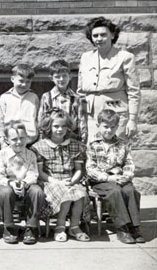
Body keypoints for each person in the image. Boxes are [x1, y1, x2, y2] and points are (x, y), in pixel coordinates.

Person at [86, 109, 145, 244]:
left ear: (117, 127)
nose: (109, 130)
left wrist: (126, 176)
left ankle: (134, 227)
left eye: (113, 127)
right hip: (101, 181)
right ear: (98, 125)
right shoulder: (92, 144)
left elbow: (128, 163)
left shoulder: (122, 143)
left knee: (131, 191)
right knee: (115, 191)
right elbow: (90, 168)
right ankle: (122, 228)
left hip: (120, 178)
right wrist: (108, 178)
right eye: (106, 126)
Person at [78, 16, 140, 141]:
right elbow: (81, 91)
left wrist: (132, 120)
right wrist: (81, 118)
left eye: (103, 35)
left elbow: (134, 91)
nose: (99, 39)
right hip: (92, 116)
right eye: (95, 36)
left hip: (116, 115)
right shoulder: (86, 57)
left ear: (112, 35)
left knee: (116, 149)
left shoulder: (125, 57)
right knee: (93, 148)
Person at [31, 110, 89, 242]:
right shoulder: (39, 147)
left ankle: (74, 226)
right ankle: (60, 226)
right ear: (48, 127)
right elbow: (40, 172)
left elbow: (78, 170)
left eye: (63, 126)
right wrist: (56, 181)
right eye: (56, 126)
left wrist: (73, 181)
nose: (60, 129)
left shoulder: (75, 145)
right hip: (50, 182)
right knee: (66, 193)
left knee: (80, 192)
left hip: (70, 180)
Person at [0, 121, 45, 245]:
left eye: (22, 138)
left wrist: (25, 183)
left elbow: (33, 174)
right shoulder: (1, 155)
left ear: (27, 138)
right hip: (7, 185)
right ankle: (9, 227)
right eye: (14, 139)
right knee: (5, 192)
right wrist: (11, 183)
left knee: (37, 191)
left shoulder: (31, 155)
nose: (19, 142)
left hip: (26, 185)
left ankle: (31, 228)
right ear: (7, 140)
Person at [39, 59, 88, 143]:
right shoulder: (47, 97)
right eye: (57, 77)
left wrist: (82, 141)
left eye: (64, 76)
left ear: (70, 76)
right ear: (51, 78)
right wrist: (43, 139)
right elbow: (41, 120)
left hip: (71, 139)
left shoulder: (76, 98)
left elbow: (81, 122)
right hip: (51, 139)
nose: (61, 79)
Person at [0, 64, 39, 148]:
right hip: (10, 142)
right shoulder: (5, 97)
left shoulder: (34, 97)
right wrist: (1, 140)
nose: (24, 84)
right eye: (21, 81)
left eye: (28, 82)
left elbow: (38, 119)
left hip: (31, 142)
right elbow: (0, 120)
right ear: (12, 79)